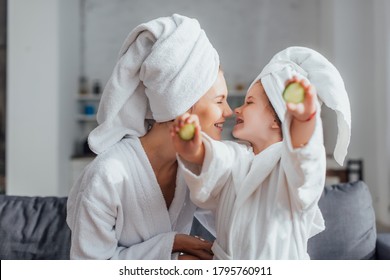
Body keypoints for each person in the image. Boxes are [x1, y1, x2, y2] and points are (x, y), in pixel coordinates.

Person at [66, 14, 233, 260]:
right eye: (220, 101)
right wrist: (171, 246)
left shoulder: (193, 167)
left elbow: (237, 220)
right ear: (183, 106)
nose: (229, 112)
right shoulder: (108, 175)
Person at [171, 46, 351, 259]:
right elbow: (216, 159)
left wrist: (303, 120)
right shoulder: (237, 156)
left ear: (277, 119)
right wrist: (194, 151)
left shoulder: (289, 171)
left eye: (249, 102)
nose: (237, 109)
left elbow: (305, 161)